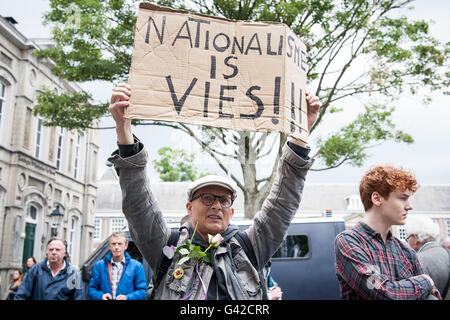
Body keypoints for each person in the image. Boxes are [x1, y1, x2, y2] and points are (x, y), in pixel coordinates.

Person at [107, 83, 320, 300]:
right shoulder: (166, 248)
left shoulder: (251, 247)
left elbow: (282, 204)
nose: (217, 205)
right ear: (189, 208)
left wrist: (301, 133)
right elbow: (138, 204)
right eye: (207, 198)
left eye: (224, 200)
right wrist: (123, 128)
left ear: (232, 212)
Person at [334, 165, 441, 300]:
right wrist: (425, 281)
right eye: (402, 198)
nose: (409, 206)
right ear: (377, 198)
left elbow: (433, 296)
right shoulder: (349, 241)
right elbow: (383, 293)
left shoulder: (405, 250)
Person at [14, 238, 84, 300]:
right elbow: (21, 295)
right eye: (51, 249)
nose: (53, 252)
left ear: (64, 254)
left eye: (57, 250)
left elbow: (79, 297)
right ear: (47, 253)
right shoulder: (36, 270)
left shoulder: (73, 274)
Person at [88, 231, 147, 300]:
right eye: (113, 244)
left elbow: (142, 292)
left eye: (119, 244)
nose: (116, 247)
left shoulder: (137, 267)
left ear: (126, 246)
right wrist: (101, 296)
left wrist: (127, 298)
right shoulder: (99, 266)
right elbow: (91, 289)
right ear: (110, 246)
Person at [405, 216, 450, 299]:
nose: (407, 243)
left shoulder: (417, 260)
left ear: (415, 238)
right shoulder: (447, 253)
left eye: (407, 238)